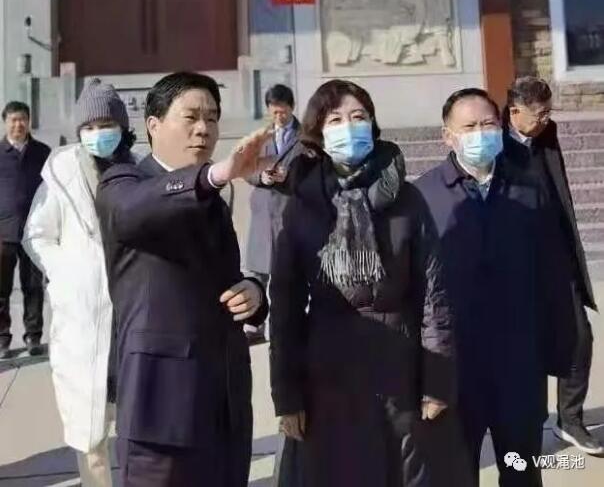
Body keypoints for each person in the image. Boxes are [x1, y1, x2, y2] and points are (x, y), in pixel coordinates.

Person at [269, 79, 456, 487]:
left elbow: (433, 294)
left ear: (373, 125)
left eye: (359, 117)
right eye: (336, 120)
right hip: (327, 369)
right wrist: (287, 395)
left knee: (400, 471)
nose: (349, 127)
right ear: (318, 132)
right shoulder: (302, 203)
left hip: (397, 365)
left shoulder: (407, 199)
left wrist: (437, 381)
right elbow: (284, 307)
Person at [95, 72, 269, 487]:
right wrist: (213, 176)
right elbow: (135, 211)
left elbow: (223, 280)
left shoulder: (212, 198)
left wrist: (254, 293)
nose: (203, 128)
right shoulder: (123, 183)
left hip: (223, 404)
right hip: (162, 415)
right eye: (190, 117)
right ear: (153, 125)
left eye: (212, 118)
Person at [414, 88, 576, 487]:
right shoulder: (423, 195)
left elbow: (554, 276)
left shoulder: (529, 187)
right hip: (455, 369)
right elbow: (412, 290)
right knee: (454, 474)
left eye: (488, 124)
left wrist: (559, 353)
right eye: (469, 126)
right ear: (447, 136)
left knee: (521, 470)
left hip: (519, 366)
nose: (480, 133)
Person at [22, 79, 136, 486]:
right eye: (89, 126)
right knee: (90, 435)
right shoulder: (62, 174)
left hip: (131, 313)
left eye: (106, 124)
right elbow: (37, 235)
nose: (98, 133)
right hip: (82, 318)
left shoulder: (138, 170)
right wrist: (67, 274)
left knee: (138, 425)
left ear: (122, 127)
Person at [503, 76, 603, 456]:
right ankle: (524, 423)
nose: (545, 120)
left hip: (557, 257)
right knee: (524, 347)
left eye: (548, 112)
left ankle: (570, 420)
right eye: (539, 114)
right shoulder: (493, 144)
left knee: (579, 338)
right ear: (514, 111)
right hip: (517, 266)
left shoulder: (546, 134)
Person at [244, 83, 301, 344]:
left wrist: (291, 176)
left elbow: (316, 170)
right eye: (274, 112)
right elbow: (246, 169)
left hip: (290, 210)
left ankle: (282, 326)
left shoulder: (305, 137)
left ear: (292, 107)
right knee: (257, 272)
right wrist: (262, 177)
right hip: (263, 210)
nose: (279, 117)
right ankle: (254, 326)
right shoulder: (260, 136)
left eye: (283, 112)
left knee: (285, 274)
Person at [0, 101, 50, 358]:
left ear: (29, 122)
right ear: (5, 122)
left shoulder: (42, 152)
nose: (18, 124)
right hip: (3, 233)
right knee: (1, 290)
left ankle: (33, 336)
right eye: (13, 120)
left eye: (22, 119)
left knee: (33, 287)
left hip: (33, 231)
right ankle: (2, 339)